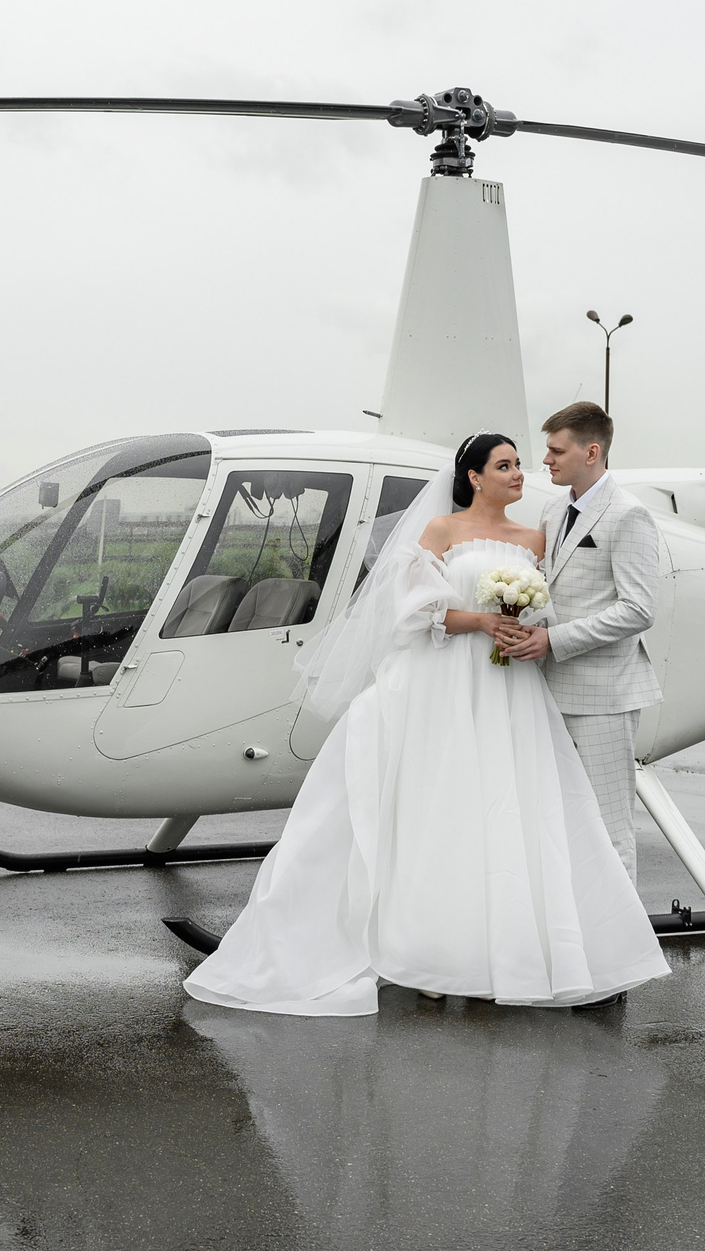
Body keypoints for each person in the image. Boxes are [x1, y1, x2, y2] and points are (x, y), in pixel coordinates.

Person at [182, 432, 667, 1017]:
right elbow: (415, 611)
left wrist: (522, 626)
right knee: (437, 810)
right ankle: (421, 952)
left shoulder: (537, 537)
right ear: (473, 477)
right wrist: (484, 623)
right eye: (506, 465)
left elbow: (553, 608)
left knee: (505, 817)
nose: (520, 474)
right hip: (444, 682)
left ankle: (492, 953)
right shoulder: (441, 532)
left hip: (510, 689)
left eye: (521, 464)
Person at [492, 402, 663, 887]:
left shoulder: (629, 516)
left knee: (608, 827)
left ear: (591, 451)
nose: (544, 460)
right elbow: (553, 589)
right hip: (548, 689)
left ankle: (620, 949)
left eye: (555, 450)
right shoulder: (553, 508)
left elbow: (638, 609)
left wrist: (553, 640)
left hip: (603, 698)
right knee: (558, 818)